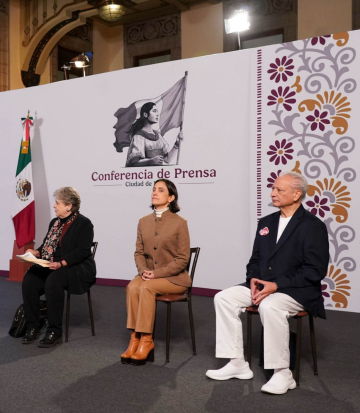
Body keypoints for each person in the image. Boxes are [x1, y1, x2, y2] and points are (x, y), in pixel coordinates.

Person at [206, 171, 328, 395]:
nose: (272, 193)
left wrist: (276, 285)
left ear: (296, 194)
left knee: (270, 306)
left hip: (296, 290)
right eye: (273, 189)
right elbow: (255, 260)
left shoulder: (313, 226)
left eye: (279, 190)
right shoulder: (266, 222)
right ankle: (236, 363)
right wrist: (252, 279)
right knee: (223, 298)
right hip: (263, 285)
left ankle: (283, 373)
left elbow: (314, 271)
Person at [122, 179, 191, 365]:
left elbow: (183, 259)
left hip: (174, 278)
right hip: (148, 274)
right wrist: (144, 270)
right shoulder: (143, 221)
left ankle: (146, 340)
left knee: (145, 288)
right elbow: (139, 252)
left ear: (171, 198)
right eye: (153, 189)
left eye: (160, 190)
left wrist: (156, 274)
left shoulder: (179, 223)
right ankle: (134, 339)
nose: (154, 192)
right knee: (132, 287)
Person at [21, 187, 96, 348]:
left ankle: (54, 330)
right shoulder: (54, 223)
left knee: (53, 282)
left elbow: (82, 252)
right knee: (30, 280)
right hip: (53, 263)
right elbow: (48, 246)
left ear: (69, 206)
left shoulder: (84, 223)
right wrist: (36, 252)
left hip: (76, 267)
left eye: (57, 203)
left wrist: (62, 263)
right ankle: (32, 325)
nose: (54, 206)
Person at [125, 102, 182, 167]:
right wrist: (151, 161)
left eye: (157, 111)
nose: (157, 114)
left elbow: (167, 160)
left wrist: (177, 143)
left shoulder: (158, 135)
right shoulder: (138, 136)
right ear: (145, 114)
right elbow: (134, 162)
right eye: (154, 111)